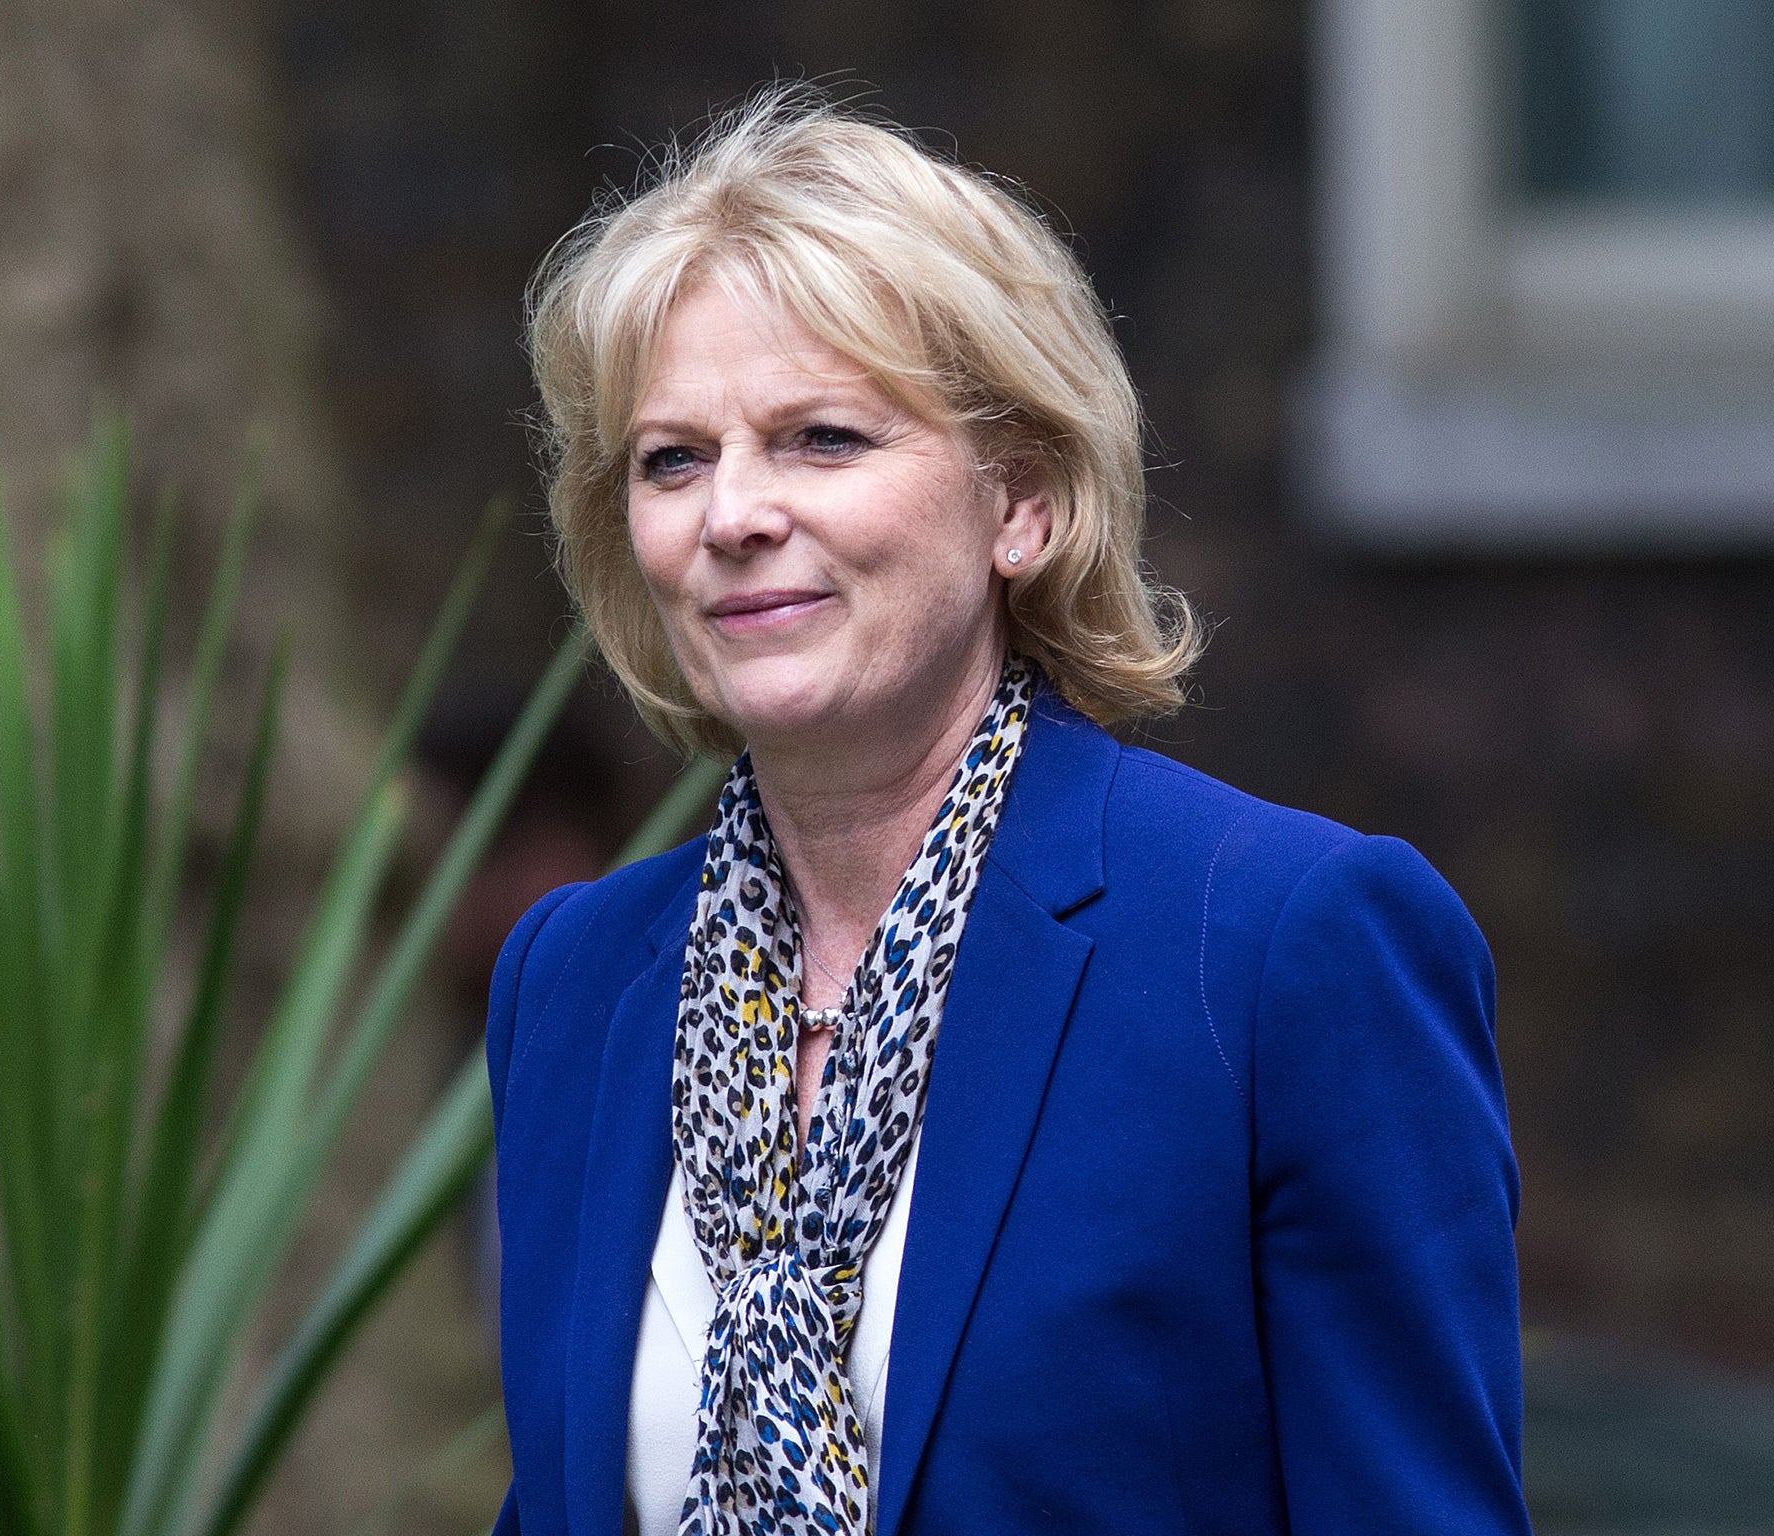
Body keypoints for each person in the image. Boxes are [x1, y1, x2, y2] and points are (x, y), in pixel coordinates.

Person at [489, 87, 1531, 1536]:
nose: (732, 514)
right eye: (674, 459)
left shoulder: (1286, 945)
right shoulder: (577, 981)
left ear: (1021, 502)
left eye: (823, 439)